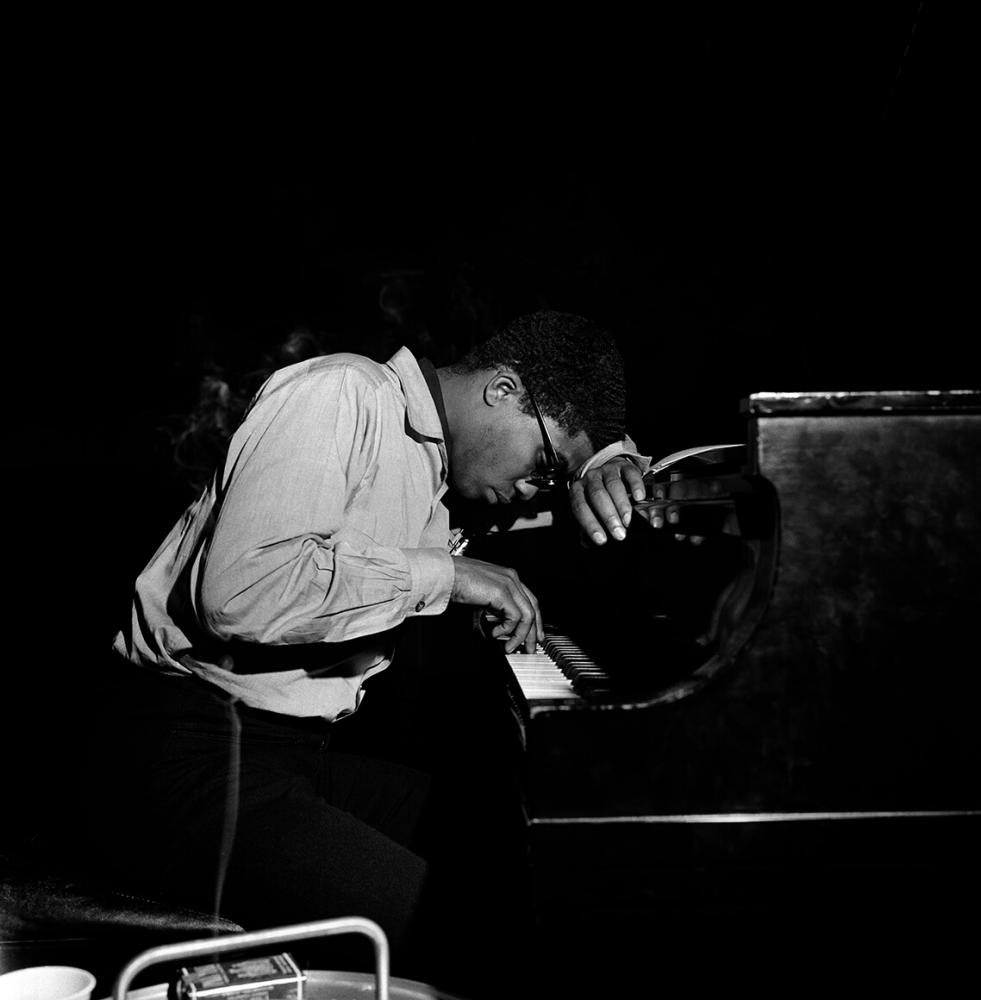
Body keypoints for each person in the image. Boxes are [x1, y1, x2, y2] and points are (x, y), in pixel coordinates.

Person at [82, 309, 653, 991]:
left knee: (499, 836)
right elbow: (243, 591)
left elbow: (581, 468)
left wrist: (607, 459)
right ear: (503, 390)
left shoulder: (437, 467)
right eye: (545, 467)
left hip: (273, 754)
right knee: (460, 931)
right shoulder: (343, 393)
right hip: (176, 756)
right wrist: (450, 575)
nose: (537, 489)